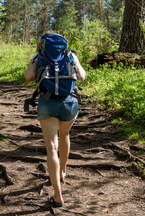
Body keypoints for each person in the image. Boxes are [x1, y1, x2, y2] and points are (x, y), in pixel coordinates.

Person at [24, 33, 86, 207]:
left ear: (43, 44)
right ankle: (63, 171)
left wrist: (34, 62)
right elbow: (82, 76)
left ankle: (57, 195)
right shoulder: (71, 55)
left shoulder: (38, 56)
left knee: (51, 147)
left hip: (47, 102)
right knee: (65, 134)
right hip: (70, 102)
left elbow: (28, 77)